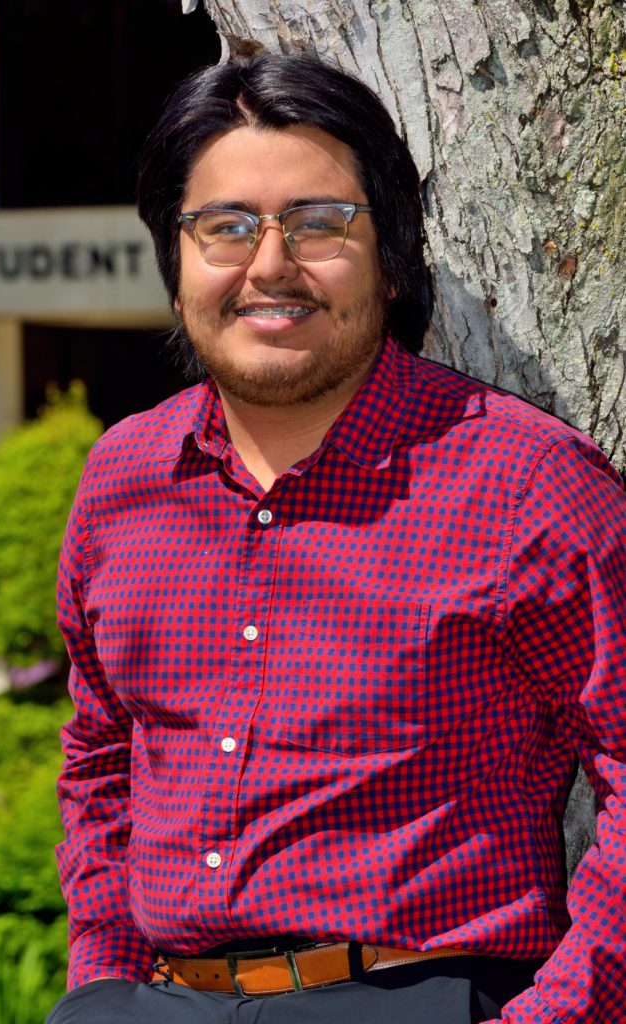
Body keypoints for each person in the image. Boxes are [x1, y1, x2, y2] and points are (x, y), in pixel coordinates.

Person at [47, 52, 626, 1024]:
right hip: (154, 1000)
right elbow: (99, 751)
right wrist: (101, 977)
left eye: (317, 223)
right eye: (223, 227)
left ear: (391, 256)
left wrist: (557, 1015)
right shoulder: (122, 479)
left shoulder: (527, 483)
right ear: (176, 261)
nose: (268, 264)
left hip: (411, 996)